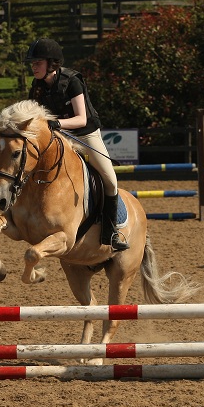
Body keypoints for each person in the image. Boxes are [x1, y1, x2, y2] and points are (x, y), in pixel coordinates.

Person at [25, 37, 129, 252]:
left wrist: (56, 123)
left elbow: (81, 119)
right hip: (59, 137)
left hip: (85, 135)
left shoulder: (72, 81)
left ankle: (111, 232)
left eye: (38, 63)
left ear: (51, 63)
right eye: (32, 63)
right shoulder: (36, 87)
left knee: (110, 180)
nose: (33, 67)